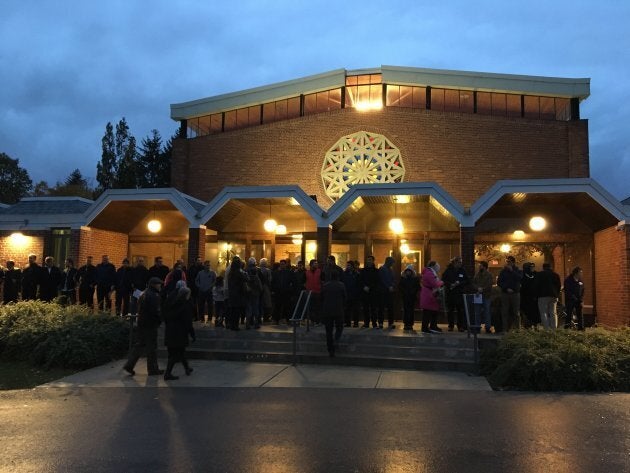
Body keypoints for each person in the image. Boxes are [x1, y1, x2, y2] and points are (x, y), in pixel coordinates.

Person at [123, 277, 164, 376]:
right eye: (159, 284)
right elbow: (156, 311)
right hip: (150, 324)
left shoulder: (144, 293)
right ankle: (153, 369)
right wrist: (159, 320)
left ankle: (129, 365)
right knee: (152, 347)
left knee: (140, 344)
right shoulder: (154, 295)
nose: (160, 286)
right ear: (154, 285)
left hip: (142, 322)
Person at [163, 280, 196, 380]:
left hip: (171, 331)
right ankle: (167, 373)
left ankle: (187, 368)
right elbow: (188, 322)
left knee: (180, 352)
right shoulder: (184, 306)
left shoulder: (173, 302)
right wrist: (192, 333)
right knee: (176, 353)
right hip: (179, 332)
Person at [321, 270, 346, 357]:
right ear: (338, 277)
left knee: (328, 330)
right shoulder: (341, 285)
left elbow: (322, 297)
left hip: (327, 310)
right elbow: (344, 297)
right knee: (339, 327)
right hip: (338, 310)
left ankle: (330, 349)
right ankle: (336, 340)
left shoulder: (325, 286)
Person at [441, 256, 469, 332]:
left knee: (460, 310)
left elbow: (467, 280)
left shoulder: (462, 270)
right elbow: (443, 280)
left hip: (459, 293)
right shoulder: (448, 270)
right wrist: (450, 284)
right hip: (450, 293)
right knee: (450, 310)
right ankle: (451, 325)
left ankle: (460, 326)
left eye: (461, 262)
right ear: (455, 262)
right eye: (459, 262)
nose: (460, 264)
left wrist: (459, 283)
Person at [497, 255, 522, 332]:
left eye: (509, 262)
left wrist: (512, 271)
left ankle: (517, 330)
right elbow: (499, 282)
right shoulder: (503, 271)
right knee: (504, 312)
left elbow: (520, 278)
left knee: (516, 312)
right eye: (507, 261)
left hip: (515, 294)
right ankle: (505, 329)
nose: (508, 263)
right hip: (505, 294)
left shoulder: (518, 270)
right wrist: (506, 288)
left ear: (513, 262)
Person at [419, 261, 444, 334]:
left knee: (433, 311)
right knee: (427, 312)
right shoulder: (429, 273)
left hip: (430, 294)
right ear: (433, 266)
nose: (438, 268)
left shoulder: (429, 272)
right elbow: (435, 283)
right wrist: (442, 282)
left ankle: (433, 326)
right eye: (437, 266)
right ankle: (425, 328)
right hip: (429, 294)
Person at [536, 262, 561, 330]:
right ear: (551, 267)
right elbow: (558, 286)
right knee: (553, 312)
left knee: (543, 312)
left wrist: (536, 294)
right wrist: (557, 294)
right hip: (553, 296)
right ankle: (554, 328)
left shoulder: (539, 275)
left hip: (542, 296)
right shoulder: (555, 275)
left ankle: (546, 329)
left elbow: (536, 285)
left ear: (543, 268)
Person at [472, 261, 494, 334]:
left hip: (486, 296)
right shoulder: (477, 275)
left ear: (484, 266)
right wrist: (477, 288)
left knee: (487, 312)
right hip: (478, 295)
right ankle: (477, 327)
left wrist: (482, 289)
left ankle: (488, 327)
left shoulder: (489, 275)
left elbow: (489, 284)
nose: (479, 267)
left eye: (480, 266)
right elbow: (473, 283)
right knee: (477, 312)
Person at [227, 256, 248, 330]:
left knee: (232, 310)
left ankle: (232, 325)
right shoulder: (239, 272)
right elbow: (246, 279)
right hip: (238, 294)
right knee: (237, 311)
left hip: (231, 294)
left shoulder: (230, 273)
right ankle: (235, 326)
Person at [271, 259, 294, 324]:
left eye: (283, 264)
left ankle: (286, 319)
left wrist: (290, 289)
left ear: (285, 265)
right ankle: (276, 319)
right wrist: (273, 290)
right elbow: (273, 282)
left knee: (286, 306)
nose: (282, 265)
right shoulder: (276, 272)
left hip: (286, 292)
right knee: (277, 306)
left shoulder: (289, 272)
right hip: (278, 291)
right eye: (281, 264)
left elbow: (292, 281)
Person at [360, 255, 380, 328]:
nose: (369, 261)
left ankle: (374, 323)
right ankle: (366, 323)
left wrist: (370, 287)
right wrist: (364, 286)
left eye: (370, 260)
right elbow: (360, 280)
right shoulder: (363, 271)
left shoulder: (376, 271)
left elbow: (377, 281)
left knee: (373, 308)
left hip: (373, 292)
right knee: (365, 308)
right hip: (365, 292)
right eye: (368, 260)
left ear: (373, 261)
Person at [399, 265, 420, 332]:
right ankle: (406, 324)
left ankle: (410, 324)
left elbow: (418, 287)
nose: (408, 272)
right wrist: (404, 292)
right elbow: (400, 286)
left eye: (409, 271)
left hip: (412, 297)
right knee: (406, 310)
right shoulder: (403, 278)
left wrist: (413, 292)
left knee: (411, 311)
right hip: (405, 296)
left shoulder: (415, 279)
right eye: (407, 271)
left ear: (411, 272)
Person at [378, 256, 397, 329]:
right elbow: (382, 279)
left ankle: (390, 323)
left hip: (390, 291)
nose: (392, 264)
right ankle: (380, 323)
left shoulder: (391, 270)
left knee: (390, 308)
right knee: (381, 308)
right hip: (383, 291)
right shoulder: (382, 269)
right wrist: (389, 286)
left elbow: (393, 279)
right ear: (388, 262)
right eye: (392, 263)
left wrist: (392, 285)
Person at [342, 260, 362, 327]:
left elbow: (359, 284)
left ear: (352, 266)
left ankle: (356, 323)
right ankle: (348, 323)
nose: (348, 267)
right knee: (347, 309)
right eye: (347, 265)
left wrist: (358, 292)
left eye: (349, 265)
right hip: (347, 293)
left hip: (355, 294)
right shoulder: (344, 274)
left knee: (356, 309)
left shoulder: (357, 274)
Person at [520, 262, 540, 328]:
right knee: (526, 312)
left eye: (533, 266)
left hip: (534, 297)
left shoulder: (536, 274)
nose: (532, 268)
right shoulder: (522, 275)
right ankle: (527, 326)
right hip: (525, 297)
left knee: (535, 312)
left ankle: (535, 325)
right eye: (531, 267)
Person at [246, 258, 263, 329]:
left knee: (248, 308)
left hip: (248, 293)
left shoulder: (246, 272)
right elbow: (261, 287)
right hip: (256, 294)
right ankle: (256, 323)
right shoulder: (257, 276)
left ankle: (248, 323)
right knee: (256, 308)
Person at [305, 259, 322, 325]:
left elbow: (322, 281)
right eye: (315, 263)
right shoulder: (307, 272)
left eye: (317, 263)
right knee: (311, 307)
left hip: (318, 292)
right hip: (309, 293)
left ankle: (318, 321)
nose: (316, 264)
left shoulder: (320, 272)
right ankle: (312, 320)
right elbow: (304, 281)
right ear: (311, 264)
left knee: (318, 307)